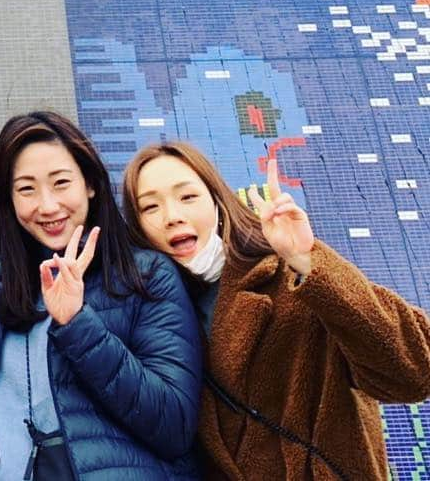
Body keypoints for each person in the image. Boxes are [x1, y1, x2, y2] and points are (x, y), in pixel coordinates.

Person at [123, 143, 430, 480]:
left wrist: (309, 261)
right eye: (150, 207)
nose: (172, 216)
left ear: (218, 203)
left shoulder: (290, 277)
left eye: (188, 197)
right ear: (137, 228)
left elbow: (415, 374)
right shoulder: (146, 321)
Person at [0, 111, 202, 480]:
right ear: (9, 201)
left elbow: (174, 424)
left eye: (61, 182)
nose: (47, 206)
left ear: (90, 184)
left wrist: (78, 323)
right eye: (26, 189)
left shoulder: (145, 276)